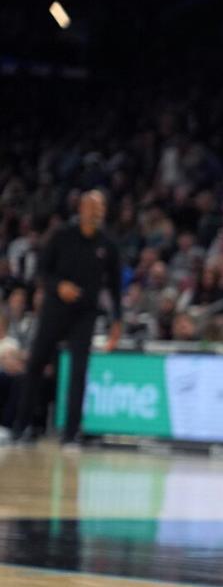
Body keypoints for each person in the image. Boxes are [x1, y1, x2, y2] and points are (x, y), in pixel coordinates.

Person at [12, 190, 122, 445]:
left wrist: (117, 320)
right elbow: (42, 269)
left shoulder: (108, 244)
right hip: (55, 309)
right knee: (36, 364)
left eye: (102, 207)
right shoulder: (61, 236)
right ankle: (21, 427)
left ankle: (71, 433)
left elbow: (115, 286)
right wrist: (58, 286)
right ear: (81, 209)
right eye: (93, 206)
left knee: (79, 371)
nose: (98, 212)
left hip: (85, 314)